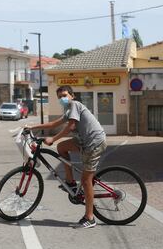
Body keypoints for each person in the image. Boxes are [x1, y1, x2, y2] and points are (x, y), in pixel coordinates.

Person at [26, 85, 106, 229]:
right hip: (84, 141)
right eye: (59, 97)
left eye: (64, 95)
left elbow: (70, 126)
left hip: (94, 142)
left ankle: (90, 218)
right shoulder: (68, 109)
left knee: (86, 180)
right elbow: (53, 123)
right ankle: (70, 183)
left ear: (72, 95)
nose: (62, 99)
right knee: (62, 148)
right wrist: (33, 127)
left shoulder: (75, 105)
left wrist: (53, 139)